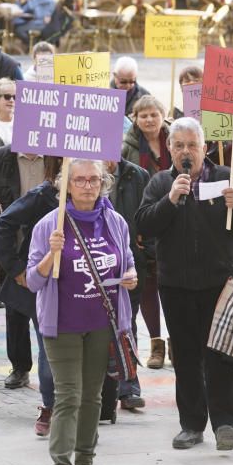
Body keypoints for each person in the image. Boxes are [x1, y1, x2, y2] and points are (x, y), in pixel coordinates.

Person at [136, 118, 233, 452]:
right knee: (187, 357)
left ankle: (224, 424)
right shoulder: (160, 183)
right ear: (170, 149)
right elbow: (145, 224)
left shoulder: (226, 178)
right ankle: (191, 425)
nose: (186, 152)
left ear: (204, 148)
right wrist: (171, 200)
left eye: (192, 145)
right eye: (178, 146)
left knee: (219, 355)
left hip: (219, 282)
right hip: (176, 284)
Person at [27, 159, 138, 465]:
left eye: (93, 179)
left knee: (93, 397)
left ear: (103, 183)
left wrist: (130, 276)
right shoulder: (50, 224)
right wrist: (51, 255)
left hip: (101, 323)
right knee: (68, 395)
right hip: (61, 325)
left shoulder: (115, 222)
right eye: (79, 180)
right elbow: (33, 280)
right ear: (66, 185)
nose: (87, 185)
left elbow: (127, 261)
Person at [0, 158, 62, 435]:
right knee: (49, 344)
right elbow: (4, 223)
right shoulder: (42, 196)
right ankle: (49, 405)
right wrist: (16, 268)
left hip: (80, 283)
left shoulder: (96, 198)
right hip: (43, 283)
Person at [0, 142, 46, 389]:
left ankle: (51, 370)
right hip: (13, 248)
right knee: (16, 310)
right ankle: (20, 366)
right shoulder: (1, 157)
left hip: (46, 248)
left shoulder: (56, 154)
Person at [99, 157, 150, 419]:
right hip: (93, 268)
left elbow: (147, 217)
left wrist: (145, 251)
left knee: (126, 324)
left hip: (128, 264)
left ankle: (129, 388)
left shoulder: (136, 175)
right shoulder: (81, 174)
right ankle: (102, 396)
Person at [121, 95, 170, 369]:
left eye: (154, 114)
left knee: (172, 284)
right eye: (143, 115)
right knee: (149, 284)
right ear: (134, 118)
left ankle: (176, 340)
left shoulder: (177, 141)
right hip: (144, 221)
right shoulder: (126, 148)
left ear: (163, 115)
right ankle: (155, 343)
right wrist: (135, 228)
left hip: (175, 219)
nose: (149, 120)